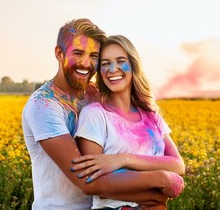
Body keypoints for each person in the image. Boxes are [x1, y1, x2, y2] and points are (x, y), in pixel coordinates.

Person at [22, 19, 184, 210]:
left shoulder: (96, 95)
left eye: (94, 56)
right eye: (78, 53)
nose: (86, 63)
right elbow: (88, 181)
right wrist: (159, 186)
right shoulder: (44, 105)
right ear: (59, 53)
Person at [72, 35, 185, 210]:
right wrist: (160, 186)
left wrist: (123, 159)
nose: (112, 69)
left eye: (120, 61)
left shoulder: (151, 116)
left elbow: (178, 165)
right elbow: (94, 183)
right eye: (105, 63)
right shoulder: (94, 115)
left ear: (133, 65)